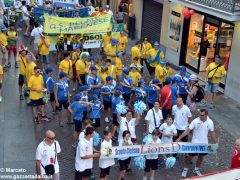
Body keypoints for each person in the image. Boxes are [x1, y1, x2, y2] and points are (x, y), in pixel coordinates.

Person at [176, 109, 217, 177]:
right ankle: (185, 169)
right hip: (194, 143)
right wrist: (179, 138)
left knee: (201, 157)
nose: (200, 116)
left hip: (204, 144)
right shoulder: (195, 121)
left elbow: (212, 132)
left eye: (202, 115)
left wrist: (216, 142)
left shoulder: (210, 122)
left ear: (206, 115)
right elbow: (188, 130)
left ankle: (196, 169)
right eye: (200, 114)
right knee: (189, 157)